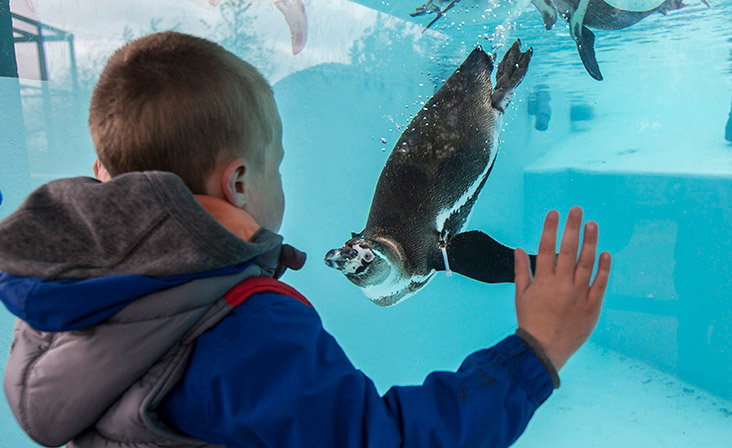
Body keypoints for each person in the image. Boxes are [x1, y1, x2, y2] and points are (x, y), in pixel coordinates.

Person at [0, 31, 612, 448]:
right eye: (278, 166)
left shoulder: (62, 312)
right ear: (239, 182)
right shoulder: (245, 333)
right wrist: (535, 352)